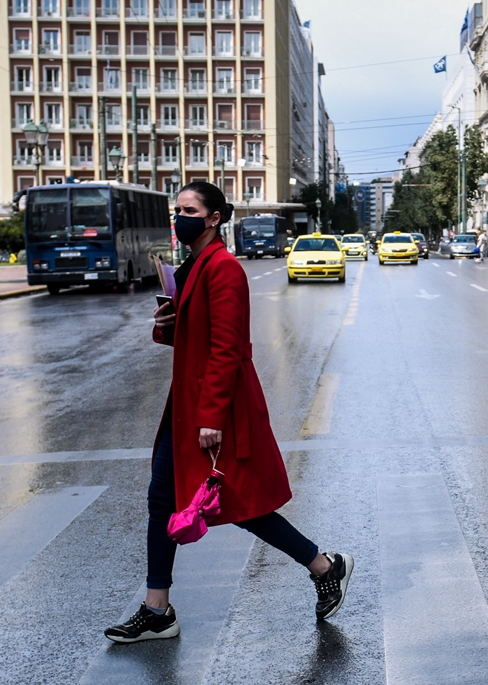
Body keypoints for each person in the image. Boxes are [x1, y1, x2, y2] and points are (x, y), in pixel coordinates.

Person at [105, 180, 354, 643]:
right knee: (163, 502)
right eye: (176, 208)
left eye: (189, 209)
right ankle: (156, 609)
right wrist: (166, 326)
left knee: (242, 505)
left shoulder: (223, 269)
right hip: (188, 408)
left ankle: (325, 566)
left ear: (214, 218)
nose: (179, 217)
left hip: (214, 409)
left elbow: (226, 348)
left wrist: (211, 418)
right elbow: (195, 337)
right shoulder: (195, 265)